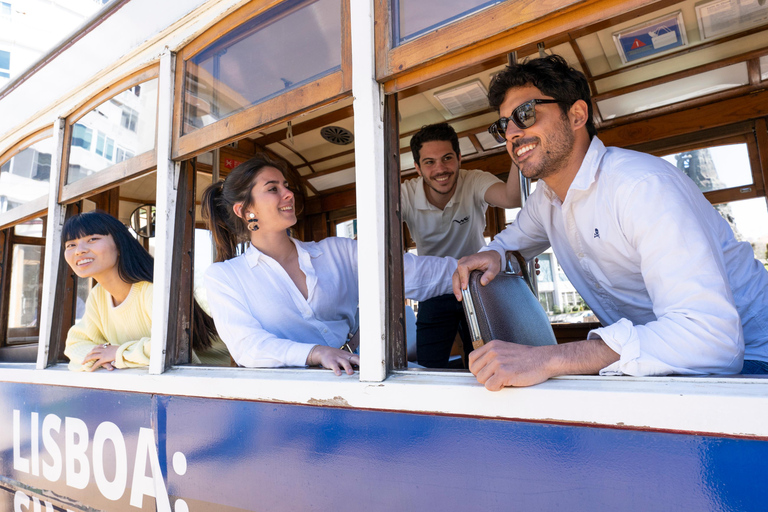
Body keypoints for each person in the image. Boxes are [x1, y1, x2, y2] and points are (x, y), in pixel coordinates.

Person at [453, 55, 768, 390]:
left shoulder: (641, 187)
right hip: (661, 367)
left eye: (526, 114)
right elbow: (511, 241)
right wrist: (495, 254)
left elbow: (712, 340)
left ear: (576, 115)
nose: (512, 134)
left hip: (750, 362)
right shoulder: (545, 200)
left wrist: (550, 357)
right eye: (504, 126)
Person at [202, 156, 456, 375]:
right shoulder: (224, 276)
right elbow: (248, 347)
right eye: (273, 189)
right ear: (245, 210)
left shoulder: (338, 251)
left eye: (286, 186)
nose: (288, 193)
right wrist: (316, 353)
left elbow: (417, 275)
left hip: (364, 374)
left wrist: (476, 266)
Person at [402, 123, 519, 368]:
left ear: (459, 158)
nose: (440, 169)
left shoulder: (473, 180)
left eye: (447, 158)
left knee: (487, 363)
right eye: (429, 162)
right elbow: (377, 229)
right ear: (417, 168)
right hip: (432, 288)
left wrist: (517, 146)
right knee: (427, 368)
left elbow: (511, 198)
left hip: (477, 284)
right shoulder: (405, 194)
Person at [63, 211, 225, 371]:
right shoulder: (98, 295)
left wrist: (118, 353)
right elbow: (75, 344)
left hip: (220, 380)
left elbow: (170, 347)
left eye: (92, 239)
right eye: (71, 245)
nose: (79, 250)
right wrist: (103, 356)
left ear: (120, 245)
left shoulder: (153, 289)